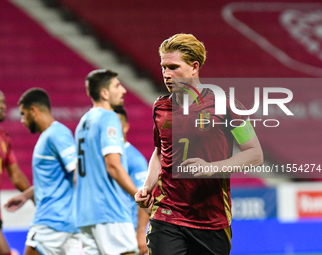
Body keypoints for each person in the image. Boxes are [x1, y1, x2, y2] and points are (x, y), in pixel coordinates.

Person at [135, 33, 264, 255]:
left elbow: (255, 154)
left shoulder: (226, 104)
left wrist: (211, 167)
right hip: (167, 213)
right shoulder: (160, 108)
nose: (166, 74)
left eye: (173, 67)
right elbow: (160, 152)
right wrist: (148, 185)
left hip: (211, 219)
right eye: (163, 67)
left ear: (194, 67)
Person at [4, 88, 79, 255]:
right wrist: (26, 195)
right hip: (68, 223)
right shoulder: (50, 135)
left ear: (33, 110)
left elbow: (77, 173)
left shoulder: (57, 134)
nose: (22, 120)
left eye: (23, 114)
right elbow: (56, 179)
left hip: (51, 222)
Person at [75, 69, 138, 255]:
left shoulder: (82, 122)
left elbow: (77, 175)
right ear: (104, 93)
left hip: (85, 215)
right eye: (117, 86)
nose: (124, 90)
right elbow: (113, 166)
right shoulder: (109, 118)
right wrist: (139, 197)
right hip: (110, 212)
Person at [0, 88, 31, 255]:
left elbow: (16, 175)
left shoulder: (4, 138)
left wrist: (35, 198)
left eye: (2, 102)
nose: (2, 106)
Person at [114, 106, 149, 255]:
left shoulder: (135, 159)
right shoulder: (107, 156)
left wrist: (140, 233)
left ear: (125, 127)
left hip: (128, 230)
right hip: (109, 228)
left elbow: (144, 196)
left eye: (116, 124)